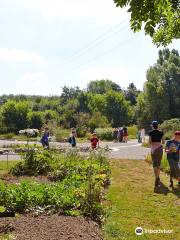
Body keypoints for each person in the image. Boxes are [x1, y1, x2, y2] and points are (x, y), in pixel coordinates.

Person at [148, 121, 164, 187]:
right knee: (158, 164)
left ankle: (157, 178)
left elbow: (150, 142)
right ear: (157, 126)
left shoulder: (150, 133)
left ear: (152, 126)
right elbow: (163, 141)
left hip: (153, 149)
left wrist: (153, 144)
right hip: (160, 149)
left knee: (154, 164)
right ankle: (158, 177)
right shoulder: (161, 132)